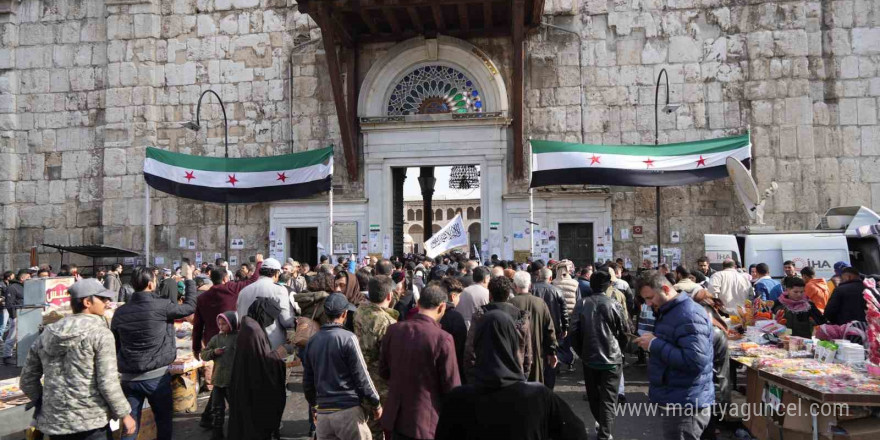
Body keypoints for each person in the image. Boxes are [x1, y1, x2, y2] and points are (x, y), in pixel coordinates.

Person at [435, 310, 587, 440]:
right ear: (514, 343)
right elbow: (577, 432)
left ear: (477, 344)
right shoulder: (539, 397)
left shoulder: (457, 400)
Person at [20, 279, 137, 440]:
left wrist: (46, 402)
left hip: (56, 422)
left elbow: (27, 380)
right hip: (91, 421)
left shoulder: (48, 333)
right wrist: (125, 414)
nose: (107, 302)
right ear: (87, 302)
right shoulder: (100, 334)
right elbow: (107, 382)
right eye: (102, 299)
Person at [111, 264, 197, 440]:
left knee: (130, 426)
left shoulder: (120, 312)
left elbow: (117, 345)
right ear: (151, 284)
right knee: (164, 422)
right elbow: (189, 307)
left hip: (129, 377)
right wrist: (189, 279)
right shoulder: (162, 306)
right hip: (156, 377)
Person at [634, 271, 714, 440]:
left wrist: (654, 344)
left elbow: (695, 361)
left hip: (686, 403)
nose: (648, 304)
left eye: (650, 298)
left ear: (665, 289)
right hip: (678, 396)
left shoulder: (688, 315)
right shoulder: (670, 311)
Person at [379, 285, 460, 440]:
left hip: (396, 417)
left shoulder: (394, 330)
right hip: (425, 421)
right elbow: (452, 387)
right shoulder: (443, 338)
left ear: (418, 303)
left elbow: (383, 371)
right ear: (442, 307)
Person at [303, 293, 380, 440]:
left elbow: (307, 381)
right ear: (344, 314)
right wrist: (375, 402)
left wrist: (314, 405)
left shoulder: (312, 341)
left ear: (325, 313)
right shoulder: (348, 338)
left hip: (324, 415)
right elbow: (362, 375)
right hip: (348, 411)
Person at [571, 270, 629, 440]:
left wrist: (582, 352)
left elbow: (574, 332)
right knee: (609, 397)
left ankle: (603, 428)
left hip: (590, 357)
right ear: (608, 285)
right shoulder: (614, 304)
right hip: (611, 357)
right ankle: (604, 431)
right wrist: (620, 350)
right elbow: (625, 331)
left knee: (594, 395)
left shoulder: (582, 304)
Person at [228, 298, 288, 440]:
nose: (272, 322)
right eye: (271, 317)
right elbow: (263, 365)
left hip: (244, 383)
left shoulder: (249, 324)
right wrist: (279, 354)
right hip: (252, 388)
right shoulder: (253, 330)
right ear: (263, 313)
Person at [353, 276, 399, 440]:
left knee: (366, 423)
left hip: (360, 377)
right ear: (389, 296)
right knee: (379, 424)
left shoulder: (360, 311)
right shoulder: (389, 322)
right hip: (380, 382)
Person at [464, 276, 532, 382]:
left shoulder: (480, 315)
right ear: (508, 294)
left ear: (490, 294)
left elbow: (470, 349)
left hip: (485, 374)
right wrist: (525, 374)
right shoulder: (520, 315)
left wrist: (472, 375)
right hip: (515, 373)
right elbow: (527, 350)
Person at [509, 271, 558, 386]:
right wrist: (552, 352)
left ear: (514, 286)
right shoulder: (540, 303)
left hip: (516, 354)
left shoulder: (510, 304)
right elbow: (549, 330)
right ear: (530, 285)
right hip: (537, 353)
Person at [236, 258, 294, 349]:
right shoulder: (279, 290)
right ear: (276, 273)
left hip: (248, 342)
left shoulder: (244, 291)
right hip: (271, 343)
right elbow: (286, 321)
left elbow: (240, 318)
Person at [199, 312, 239, 440]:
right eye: (219, 324)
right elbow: (204, 354)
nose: (221, 327)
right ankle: (217, 434)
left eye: (224, 324)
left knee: (235, 408)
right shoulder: (216, 339)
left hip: (232, 381)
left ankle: (235, 432)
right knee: (217, 408)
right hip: (218, 380)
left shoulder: (238, 338)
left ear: (232, 323)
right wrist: (213, 352)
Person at [531, 267, 567, 388]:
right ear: (550, 278)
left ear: (539, 276)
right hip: (553, 327)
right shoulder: (557, 291)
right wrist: (565, 327)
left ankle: (537, 381)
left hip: (535, 327)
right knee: (552, 354)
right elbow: (564, 311)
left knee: (536, 353)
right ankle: (549, 385)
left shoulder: (532, 289)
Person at [438, 277, 467, 384]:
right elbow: (461, 347)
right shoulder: (456, 317)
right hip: (451, 369)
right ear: (453, 296)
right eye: (459, 296)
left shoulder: (433, 312)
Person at [2, 268, 28, 365]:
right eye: (28, 277)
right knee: (12, 336)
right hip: (17, 315)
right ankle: (7, 356)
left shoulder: (24, 286)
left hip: (26, 315)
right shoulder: (13, 287)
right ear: (22, 278)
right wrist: (14, 317)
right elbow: (9, 304)